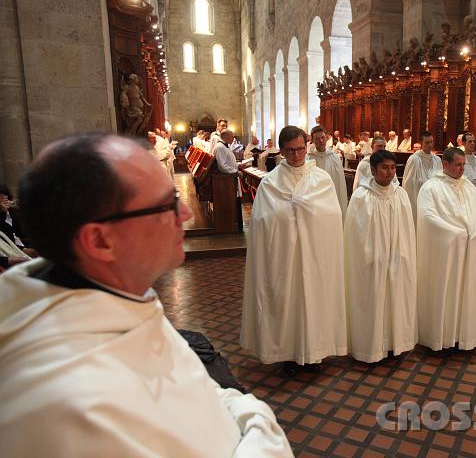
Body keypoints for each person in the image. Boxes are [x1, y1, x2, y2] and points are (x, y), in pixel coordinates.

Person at [0, 133, 292, 456]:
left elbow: (195, 391)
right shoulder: (71, 409)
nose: (186, 215)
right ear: (99, 241)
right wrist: (261, 423)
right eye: (167, 205)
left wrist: (246, 412)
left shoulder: (116, 300)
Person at [240, 126, 347, 375]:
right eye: (290, 151)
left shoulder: (321, 178)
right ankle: (288, 354)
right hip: (284, 256)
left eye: (300, 149)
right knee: (287, 302)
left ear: (306, 145)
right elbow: (261, 221)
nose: (297, 155)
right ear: (282, 151)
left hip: (315, 253)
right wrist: (289, 211)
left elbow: (332, 214)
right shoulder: (271, 182)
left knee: (315, 299)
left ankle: (316, 352)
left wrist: (309, 209)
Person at [344, 150, 417, 362]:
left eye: (393, 168)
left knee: (396, 299)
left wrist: (401, 254)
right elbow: (355, 236)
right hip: (371, 264)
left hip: (397, 260)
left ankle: (395, 343)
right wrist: (372, 256)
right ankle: (371, 347)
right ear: (373, 170)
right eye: (385, 168)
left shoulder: (400, 195)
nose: (390, 172)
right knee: (372, 302)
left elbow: (407, 231)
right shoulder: (361, 197)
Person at [416, 147, 476, 351]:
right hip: (446, 253)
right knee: (445, 294)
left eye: (464, 165)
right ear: (445, 164)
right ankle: (441, 337)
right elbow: (428, 218)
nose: (462, 169)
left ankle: (465, 334)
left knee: (467, 291)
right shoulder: (431, 188)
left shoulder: (469, 187)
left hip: (469, 248)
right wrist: (455, 234)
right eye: (458, 165)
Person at [307, 125, 348, 218]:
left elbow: (339, 184)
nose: (320, 141)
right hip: (315, 202)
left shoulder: (334, 158)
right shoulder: (308, 159)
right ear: (313, 141)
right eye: (317, 139)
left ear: (326, 138)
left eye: (322, 137)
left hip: (332, 200)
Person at [402, 131, 442, 223]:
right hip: (417, 197)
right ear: (421, 143)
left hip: (433, 199)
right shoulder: (414, 159)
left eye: (431, 142)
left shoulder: (437, 160)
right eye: (427, 142)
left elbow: (440, 180)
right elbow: (408, 183)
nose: (430, 145)